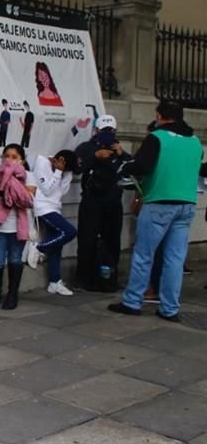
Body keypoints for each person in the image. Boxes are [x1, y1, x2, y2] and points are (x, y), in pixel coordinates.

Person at [109, 101, 204, 321]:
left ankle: (133, 301)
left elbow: (142, 166)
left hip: (159, 203)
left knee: (144, 255)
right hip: (187, 204)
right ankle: (169, 308)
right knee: (175, 259)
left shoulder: (157, 138)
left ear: (160, 116)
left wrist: (124, 167)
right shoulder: (195, 141)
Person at [74, 114, 130, 292]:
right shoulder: (86, 148)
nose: (107, 135)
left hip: (113, 202)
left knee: (112, 240)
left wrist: (121, 155)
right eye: (104, 131)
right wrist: (95, 155)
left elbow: (133, 169)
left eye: (110, 131)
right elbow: (77, 167)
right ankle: (83, 278)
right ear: (96, 131)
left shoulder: (119, 151)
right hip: (92, 201)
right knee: (87, 240)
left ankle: (110, 277)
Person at [0, 144, 35, 309]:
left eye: (14, 157)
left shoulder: (28, 175)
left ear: (22, 159)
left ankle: (12, 294)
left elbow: (28, 200)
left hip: (18, 226)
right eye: (6, 156)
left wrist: (12, 182)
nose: (9, 160)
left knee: (15, 260)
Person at [32, 149, 78, 296]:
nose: (67, 172)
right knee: (70, 231)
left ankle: (54, 282)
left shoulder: (65, 172)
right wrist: (58, 172)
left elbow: (61, 192)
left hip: (55, 208)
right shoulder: (42, 163)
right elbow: (47, 190)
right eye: (68, 169)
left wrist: (66, 174)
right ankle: (39, 248)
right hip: (42, 208)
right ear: (61, 160)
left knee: (57, 247)